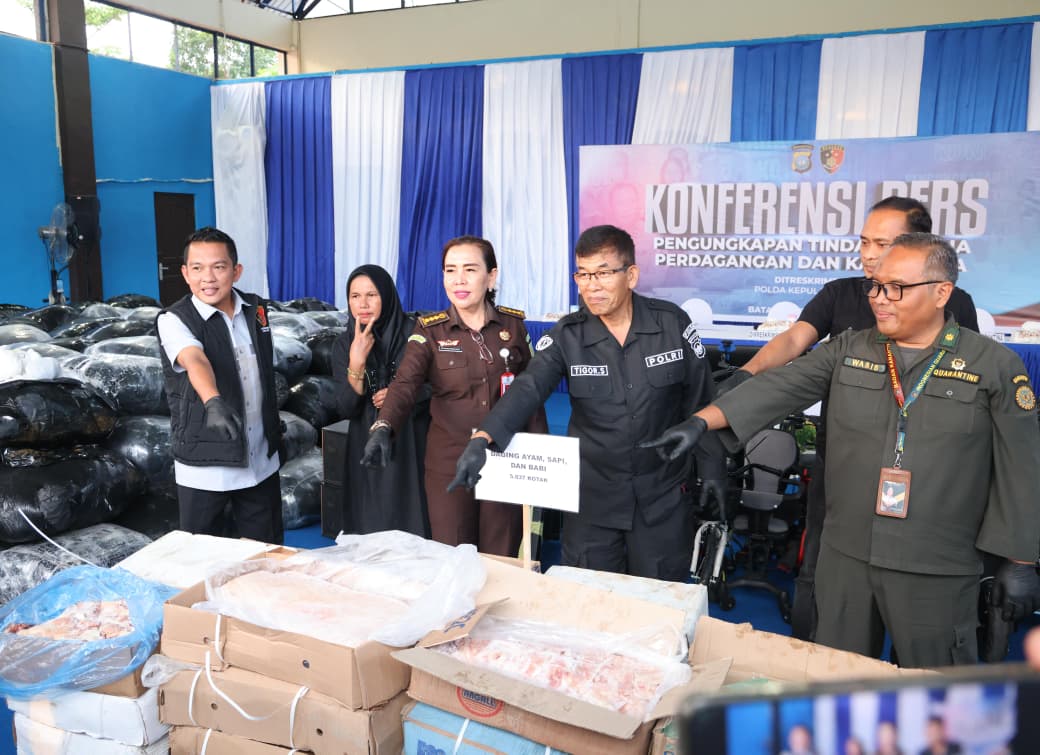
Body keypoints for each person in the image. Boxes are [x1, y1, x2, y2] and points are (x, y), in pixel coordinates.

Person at [645, 233, 1040, 667]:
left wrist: (1020, 561)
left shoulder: (993, 366)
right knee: (839, 676)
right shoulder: (850, 349)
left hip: (937, 565)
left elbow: (1022, 468)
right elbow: (780, 386)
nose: (879, 299)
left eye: (897, 288)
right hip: (847, 555)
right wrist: (701, 421)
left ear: (942, 293)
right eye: (876, 286)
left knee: (934, 687)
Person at [719, 196, 979, 641]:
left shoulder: (952, 303)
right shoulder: (840, 293)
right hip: (842, 470)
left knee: (914, 598)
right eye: (864, 242)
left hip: (922, 479)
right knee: (823, 578)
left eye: (884, 243)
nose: (869, 254)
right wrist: (745, 375)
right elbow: (795, 340)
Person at [447, 225, 726, 581]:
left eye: (603, 273)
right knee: (591, 597)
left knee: (659, 600)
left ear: (631, 275)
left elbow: (701, 400)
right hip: (594, 501)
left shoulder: (671, 324)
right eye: (582, 274)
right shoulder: (569, 334)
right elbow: (528, 387)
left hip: (662, 499)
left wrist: (713, 468)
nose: (591, 286)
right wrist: (483, 437)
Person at [361, 236, 546, 556]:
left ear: (491, 276)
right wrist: (383, 426)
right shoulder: (430, 330)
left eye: (470, 269)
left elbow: (532, 392)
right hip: (450, 461)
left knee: (502, 552)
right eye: (450, 270)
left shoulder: (513, 326)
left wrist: (540, 451)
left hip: (507, 457)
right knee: (453, 551)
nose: (458, 279)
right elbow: (404, 384)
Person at [157, 227, 283, 543]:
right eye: (198, 268)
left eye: (219, 267)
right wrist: (212, 400)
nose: (208, 278)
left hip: (260, 461)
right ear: (185, 273)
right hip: (206, 467)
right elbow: (194, 359)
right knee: (202, 557)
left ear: (236, 271)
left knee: (267, 555)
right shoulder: (174, 319)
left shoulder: (256, 310)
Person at [331, 264, 430, 537]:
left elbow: (440, 389)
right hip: (365, 438)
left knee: (414, 517)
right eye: (355, 296)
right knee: (370, 520)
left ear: (386, 295)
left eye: (371, 295)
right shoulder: (344, 343)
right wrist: (356, 362)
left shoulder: (417, 335)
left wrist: (402, 396)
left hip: (412, 438)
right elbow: (346, 407)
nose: (362, 304)